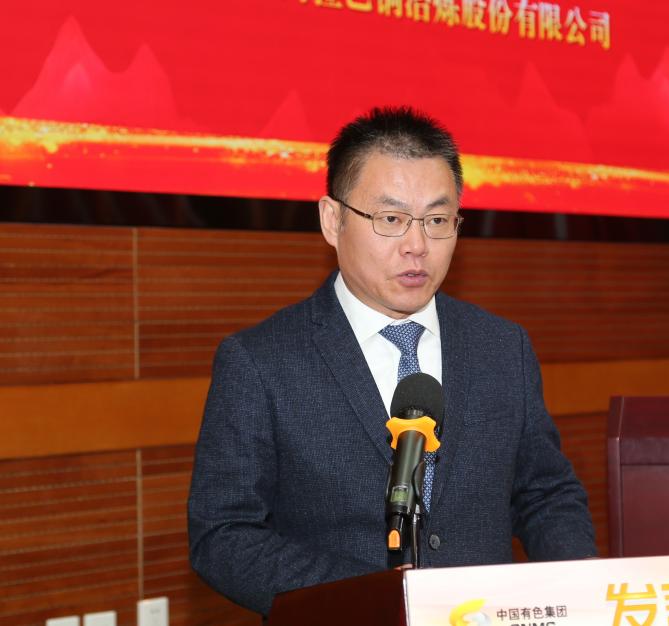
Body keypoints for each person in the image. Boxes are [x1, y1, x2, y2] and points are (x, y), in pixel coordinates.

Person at [187, 107, 596, 616]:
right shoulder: (260, 362)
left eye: (437, 220)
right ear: (332, 220)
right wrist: (377, 599)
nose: (417, 246)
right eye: (391, 219)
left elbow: (545, 493)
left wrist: (582, 589)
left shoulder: (501, 346)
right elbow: (224, 535)